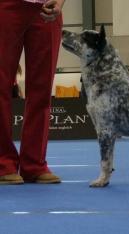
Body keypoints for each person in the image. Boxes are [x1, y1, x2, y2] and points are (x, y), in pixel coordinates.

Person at [0, 0, 65, 184]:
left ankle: (34, 164)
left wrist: (59, 2)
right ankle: (3, 163)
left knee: (42, 90)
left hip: (46, 8)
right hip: (6, 7)